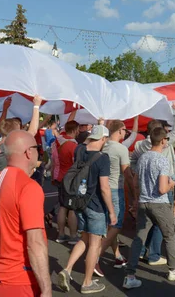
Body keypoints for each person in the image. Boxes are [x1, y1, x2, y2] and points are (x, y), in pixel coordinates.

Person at [0, 130, 52, 297]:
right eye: (37, 148)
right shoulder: (28, 186)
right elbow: (34, 243)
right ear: (29, 152)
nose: (38, 152)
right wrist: (47, 288)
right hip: (19, 278)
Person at [123, 127, 175, 289]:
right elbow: (162, 189)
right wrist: (173, 182)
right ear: (162, 141)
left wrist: (137, 199)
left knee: (139, 238)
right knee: (169, 236)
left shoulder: (143, 157)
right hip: (159, 203)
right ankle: (173, 269)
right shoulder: (162, 160)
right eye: (166, 139)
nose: (167, 141)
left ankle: (130, 275)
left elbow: (136, 180)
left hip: (144, 202)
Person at [57, 125, 116, 295]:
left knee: (84, 238)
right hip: (96, 204)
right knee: (95, 244)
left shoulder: (80, 150)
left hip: (79, 202)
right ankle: (87, 283)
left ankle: (67, 269)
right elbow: (104, 188)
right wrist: (111, 211)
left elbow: (85, 143)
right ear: (103, 139)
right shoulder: (103, 158)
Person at [97, 120, 134, 274]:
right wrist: (135, 193)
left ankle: (117, 255)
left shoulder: (102, 145)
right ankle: (95, 257)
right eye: (125, 130)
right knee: (116, 225)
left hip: (102, 188)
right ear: (120, 130)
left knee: (110, 226)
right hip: (115, 188)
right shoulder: (121, 149)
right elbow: (127, 173)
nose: (125, 133)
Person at [53, 120, 80, 245]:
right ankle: (73, 235)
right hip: (70, 179)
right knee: (72, 208)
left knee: (62, 207)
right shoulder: (73, 146)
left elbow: (54, 160)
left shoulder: (56, 142)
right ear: (75, 130)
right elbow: (77, 164)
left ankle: (61, 233)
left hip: (58, 176)